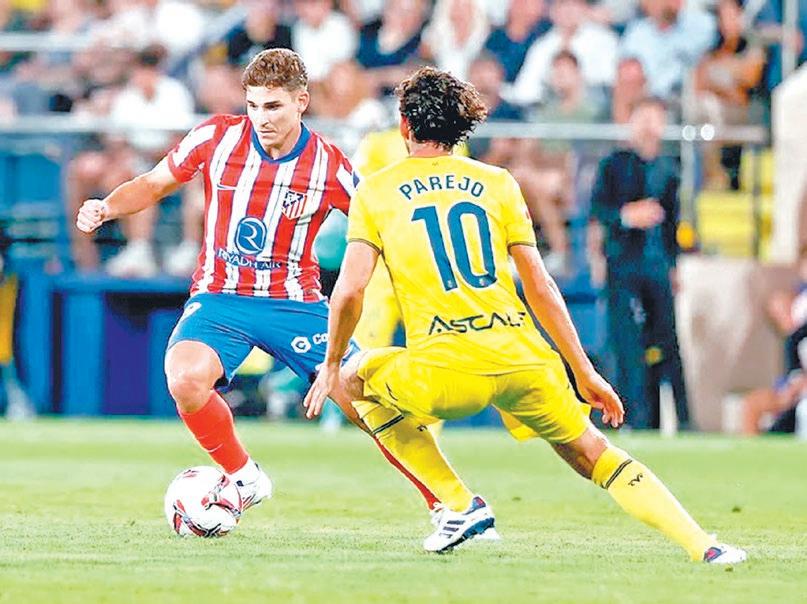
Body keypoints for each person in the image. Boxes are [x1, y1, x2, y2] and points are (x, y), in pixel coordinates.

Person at [303, 66, 746, 563]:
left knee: (349, 380)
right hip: (522, 360)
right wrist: (584, 371)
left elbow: (350, 291)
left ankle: (458, 503)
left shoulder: (376, 191)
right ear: (461, 127)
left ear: (404, 125)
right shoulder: (497, 182)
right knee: (593, 453)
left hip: (445, 371)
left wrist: (332, 362)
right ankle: (704, 546)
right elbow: (541, 286)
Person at [75, 48, 457, 519]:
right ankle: (244, 477)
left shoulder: (327, 164)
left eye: (273, 106)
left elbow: (381, 226)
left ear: (301, 102)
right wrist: (107, 207)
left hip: (294, 304)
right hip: (220, 298)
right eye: (253, 105)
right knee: (186, 378)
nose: (261, 117)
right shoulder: (215, 137)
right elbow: (154, 183)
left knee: (364, 402)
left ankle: (450, 503)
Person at [589, 97, 690, 430]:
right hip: (623, 264)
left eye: (656, 119)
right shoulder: (614, 165)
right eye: (643, 118)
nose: (649, 126)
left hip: (656, 265)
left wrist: (673, 266)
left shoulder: (669, 169)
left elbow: (673, 224)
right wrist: (626, 216)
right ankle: (629, 417)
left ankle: (681, 419)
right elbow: (598, 212)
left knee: (667, 343)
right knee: (626, 343)